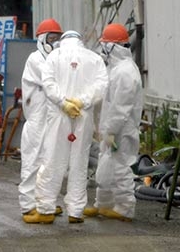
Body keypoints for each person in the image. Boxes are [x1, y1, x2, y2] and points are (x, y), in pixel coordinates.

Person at [24, 30, 108, 225]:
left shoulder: (54, 56)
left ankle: (45, 209)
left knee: (53, 161)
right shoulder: (94, 58)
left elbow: (48, 83)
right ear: (80, 41)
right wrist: (82, 101)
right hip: (83, 114)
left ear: (63, 41)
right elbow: (101, 86)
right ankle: (76, 211)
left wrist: (64, 103)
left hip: (59, 114)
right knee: (79, 162)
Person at [84, 23, 144, 222]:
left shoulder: (126, 72)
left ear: (112, 47)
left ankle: (125, 208)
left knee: (120, 167)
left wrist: (111, 130)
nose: (103, 50)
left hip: (122, 130)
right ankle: (104, 204)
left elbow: (121, 106)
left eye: (105, 45)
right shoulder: (116, 68)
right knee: (106, 166)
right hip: (112, 128)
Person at [18, 18, 64, 220]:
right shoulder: (36, 59)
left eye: (58, 38)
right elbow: (53, 81)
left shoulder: (55, 60)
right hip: (37, 121)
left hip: (50, 120)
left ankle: (46, 202)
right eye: (52, 38)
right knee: (32, 163)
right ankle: (28, 205)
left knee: (50, 162)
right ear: (42, 39)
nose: (56, 42)